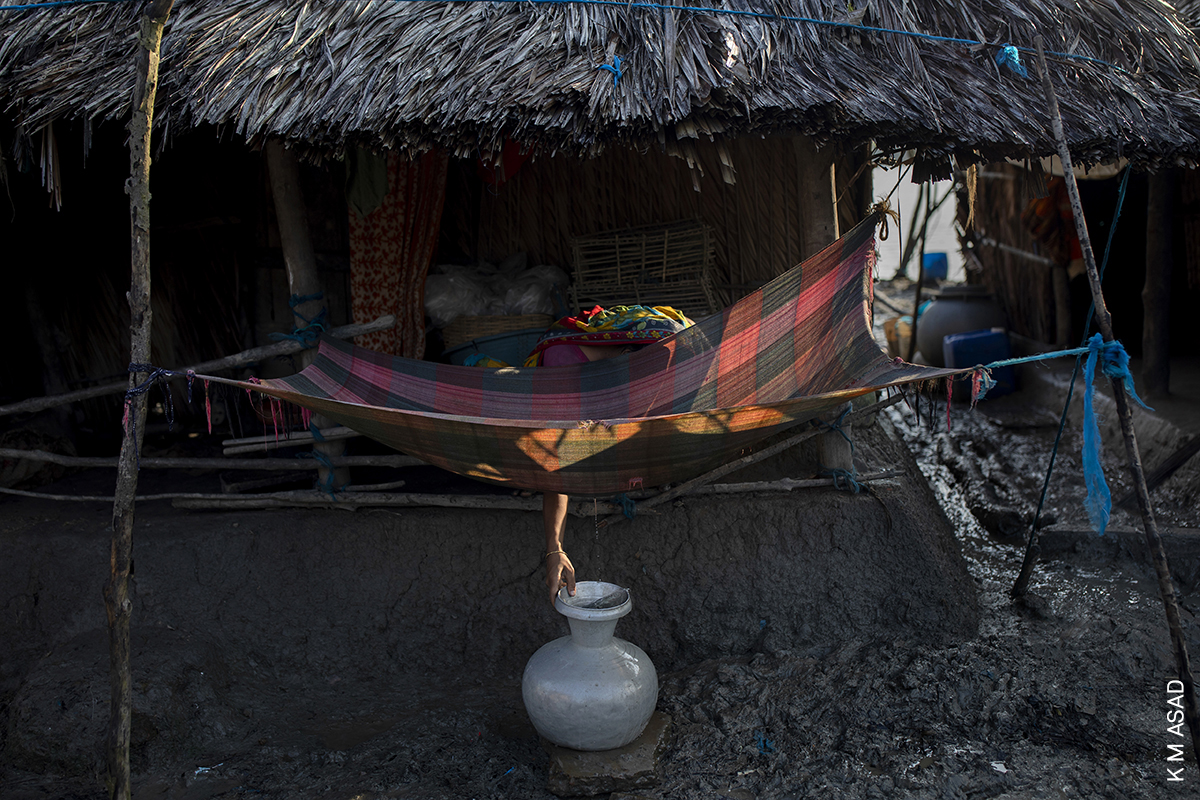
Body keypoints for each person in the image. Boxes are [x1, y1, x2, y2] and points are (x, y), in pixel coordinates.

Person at [524, 305, 694, 606]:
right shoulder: (561, 367)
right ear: (627, 353)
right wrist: (555, 549)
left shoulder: (663, 355)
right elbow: (557, 466)